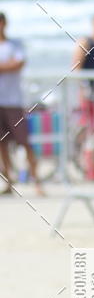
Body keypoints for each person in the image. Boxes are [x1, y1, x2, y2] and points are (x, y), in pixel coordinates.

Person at [0, 12, 43, 195]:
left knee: (25, 142)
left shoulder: (14, 44)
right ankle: (8, 181)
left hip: (13, 101)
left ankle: (37, 182)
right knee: (2, 145)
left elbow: (18, 64)